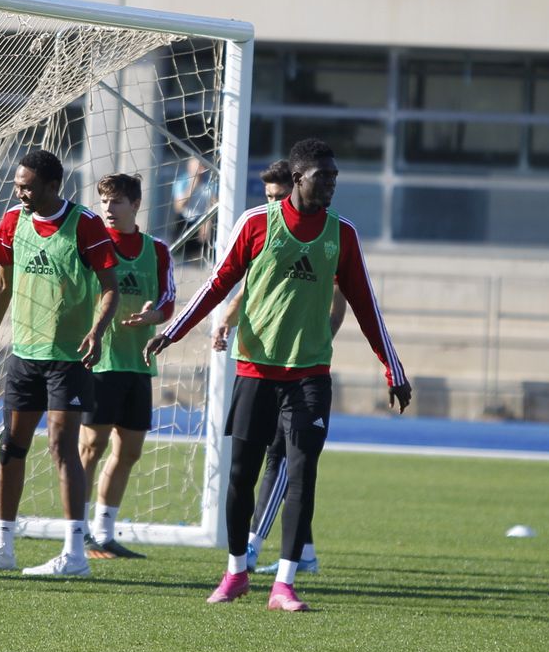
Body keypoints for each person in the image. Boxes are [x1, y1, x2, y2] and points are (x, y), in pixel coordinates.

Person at [146, 138, 409, 611]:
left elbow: (366, 303)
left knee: (302, 474)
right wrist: (174, 332)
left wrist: (393, 367)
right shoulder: (256, 223)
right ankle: (235, 573)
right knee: (241, 475)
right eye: (322, 175)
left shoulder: (342, 234)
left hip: (310, 375)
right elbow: (217, 284)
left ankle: (284, 584)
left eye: (334, 176)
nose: (330, 183)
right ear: (298, 178)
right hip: (256, 369)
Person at [0, 148, 120, 577]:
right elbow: (1, 284)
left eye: (28, 186)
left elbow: (110, 287)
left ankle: (74, 554)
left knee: (60, 446)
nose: (20, 192)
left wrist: (97, 329)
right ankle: (3, 547)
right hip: (24, 357)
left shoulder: (85, 224)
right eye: (18, 185)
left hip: (68, 359)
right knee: (12, 447)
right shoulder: (13, 221)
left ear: (53, 187)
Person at [210, 159, 346, 576]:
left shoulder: (328, 235)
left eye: (276, 195)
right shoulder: (264, 227)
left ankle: (253, 547)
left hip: (301, 367)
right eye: (266, 196)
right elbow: (252, 287)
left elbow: (339, 298)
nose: (270, 202)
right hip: (259, 365)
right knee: (264, 463)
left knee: (284, 461)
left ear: (296, 185)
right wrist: (226, 323)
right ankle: (301, 551)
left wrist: (317, 340)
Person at [79, 173, 175, 559]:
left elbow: (168, 300)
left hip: (138, 365)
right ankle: (78, 530)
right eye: (104, 202)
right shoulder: (91, 244)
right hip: (99, 363)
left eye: (116, 202)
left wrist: (154, 318)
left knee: (130, 450)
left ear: (135, 205)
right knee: (91, 447)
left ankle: (104, 533)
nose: (108, 209)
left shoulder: (157, 250)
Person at [170, 156, 216, 260]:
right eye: (198, 165)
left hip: (202, 220)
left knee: (203, 249)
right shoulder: (182, 182)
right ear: (190, 167)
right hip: (184, 220)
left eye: (202, 165)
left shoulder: (210, 182)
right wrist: (194, 183)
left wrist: (206, 223)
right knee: (179, 253)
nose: (201, 168)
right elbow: (179, 207)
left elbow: (213, 204)